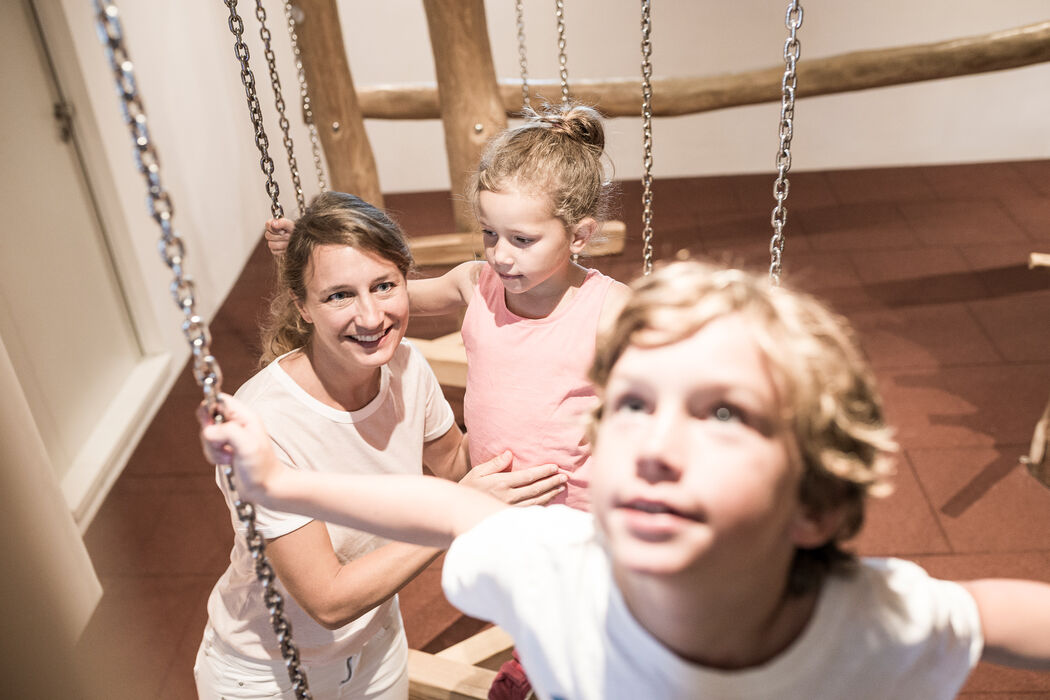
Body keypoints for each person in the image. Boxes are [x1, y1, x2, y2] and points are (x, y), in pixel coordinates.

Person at [201, 260, 1050, 699]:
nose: (657, 444)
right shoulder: (567, 566)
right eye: (634, 406)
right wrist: (284, 482)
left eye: (723, 415)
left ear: (817, 506)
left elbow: (1005, 614)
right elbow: (442, 506)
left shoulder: (867, 617)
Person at [194, 191, 567, 700]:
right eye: (339, 296)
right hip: (268, 675)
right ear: (301, 305)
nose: (371, 318)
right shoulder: (262, 422)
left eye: (385, 285)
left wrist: (530, 401)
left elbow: (456, 465)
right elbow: (327, 599)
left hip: (378, 650)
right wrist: (458, 512)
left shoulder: (407, 367)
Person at [266, 103, 631, 512]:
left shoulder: (609, 308)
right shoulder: (476, 283)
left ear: (579, 236)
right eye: (490, 234)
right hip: (491, 501)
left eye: (522, 240)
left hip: (575, 509)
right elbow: (396, 299)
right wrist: (317, 247)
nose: (501, 256)